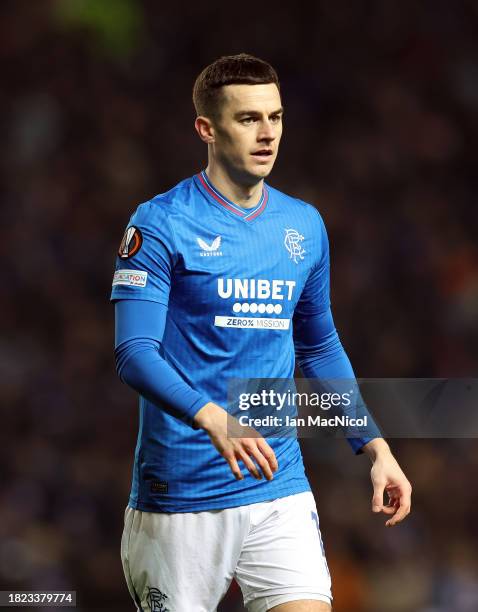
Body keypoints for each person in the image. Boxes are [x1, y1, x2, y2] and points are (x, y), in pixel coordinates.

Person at [111, 53, 412, 612]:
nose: (267, 133)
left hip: (278, 487)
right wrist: (212, 417)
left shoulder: (303, 225)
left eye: (275, 117)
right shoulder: (160, 223)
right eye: (248, 118)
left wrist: (373, 445)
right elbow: (134, 353)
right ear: (207, 128)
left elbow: (319, 345)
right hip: (180, 497)